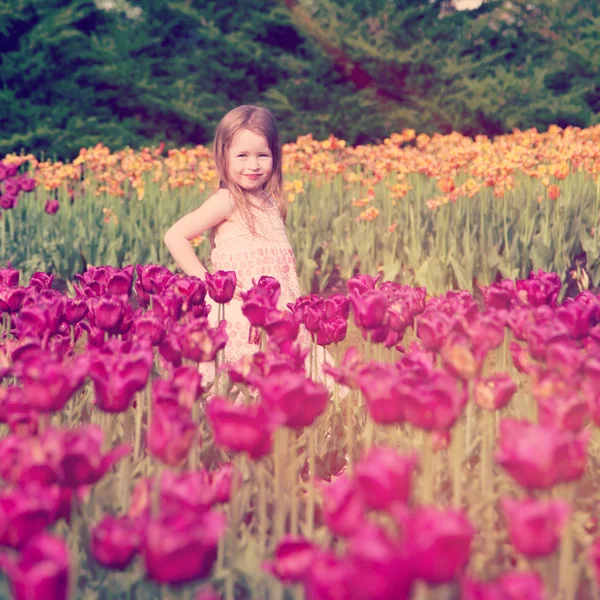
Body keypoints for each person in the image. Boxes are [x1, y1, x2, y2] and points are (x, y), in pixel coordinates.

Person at [163, 104, 334, 393]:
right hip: (240, 317)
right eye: (242, 156)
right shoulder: (227, 200)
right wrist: (208, 283)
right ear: (224, 157)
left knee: (298, 387)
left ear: (275, 157)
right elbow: (175, 235)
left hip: (283, 318)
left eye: (262, 155)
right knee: (246, 389)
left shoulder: (272, 203)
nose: (252, 165)